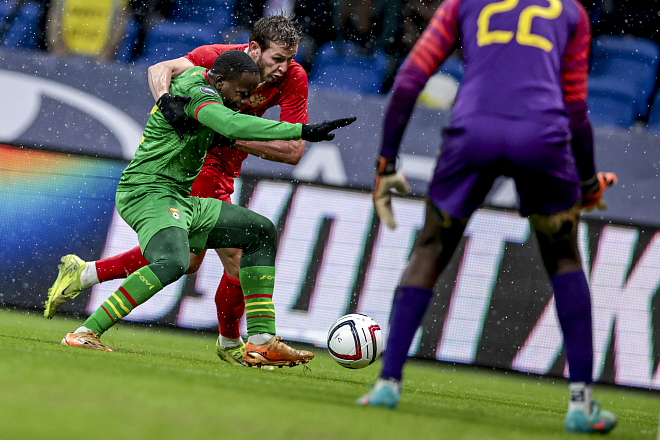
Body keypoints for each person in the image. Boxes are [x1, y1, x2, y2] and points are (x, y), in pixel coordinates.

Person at [355, 0, 618, 435]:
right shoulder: (570, 11)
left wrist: (386, 162)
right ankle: (581, 404)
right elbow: (575, 108)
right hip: (542, 137)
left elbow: (409, 80)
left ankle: (388, 383)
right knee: (564, 257)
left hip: (473, 132)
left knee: (431, 247)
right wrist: (588, 182)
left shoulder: (463, 3)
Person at [45, 14, 318, 368]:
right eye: (277, 58)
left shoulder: (293, 77)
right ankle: (241, 343)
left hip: (224, 163)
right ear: (253, 49)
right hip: (192, 166)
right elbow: (161, 69)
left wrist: (230, 136)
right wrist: (165, 100)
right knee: (219, 257)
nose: (284, 68)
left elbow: (291, 152)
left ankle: (86, 274)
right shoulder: (213, 62)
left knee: (193, 257)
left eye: (290, 59)